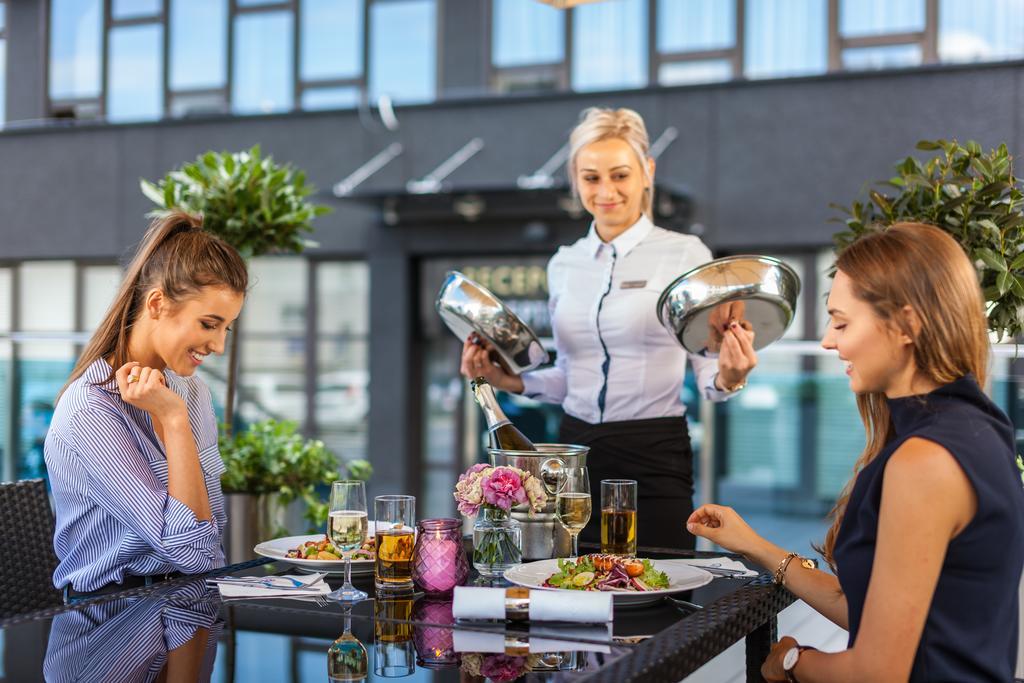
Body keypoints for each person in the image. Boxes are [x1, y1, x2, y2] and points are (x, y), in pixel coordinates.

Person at [687, 222, 1024, 682]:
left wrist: (790, 662)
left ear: (907, 324)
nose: (828, 340)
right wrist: (753, 545)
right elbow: (868, 610)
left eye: (842, 322)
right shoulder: (977, 426)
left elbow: (876, 672)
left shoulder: (924, 460)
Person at [461, 107, 757, 550]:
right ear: (576, 181)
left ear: (647, 173)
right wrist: (509, 381)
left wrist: (731, 376)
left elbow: (707, 371)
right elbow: (572, 376)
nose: (606, 191)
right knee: (567, 589)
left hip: (654, 452)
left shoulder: (685, 254)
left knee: (658, 592)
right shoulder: (564, 263)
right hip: (571, 455)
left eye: (619, 175)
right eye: (591, 178)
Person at [45, 210, 248, 599]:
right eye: (208, 324)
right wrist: (173, 419)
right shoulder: (91, 409)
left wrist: (175, 411)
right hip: (106, 621)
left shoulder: (193, 392)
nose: (219, 346)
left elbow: (209, 539)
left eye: (226, 328)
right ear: (157, 303)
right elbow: (192, 551)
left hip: (186, 602)